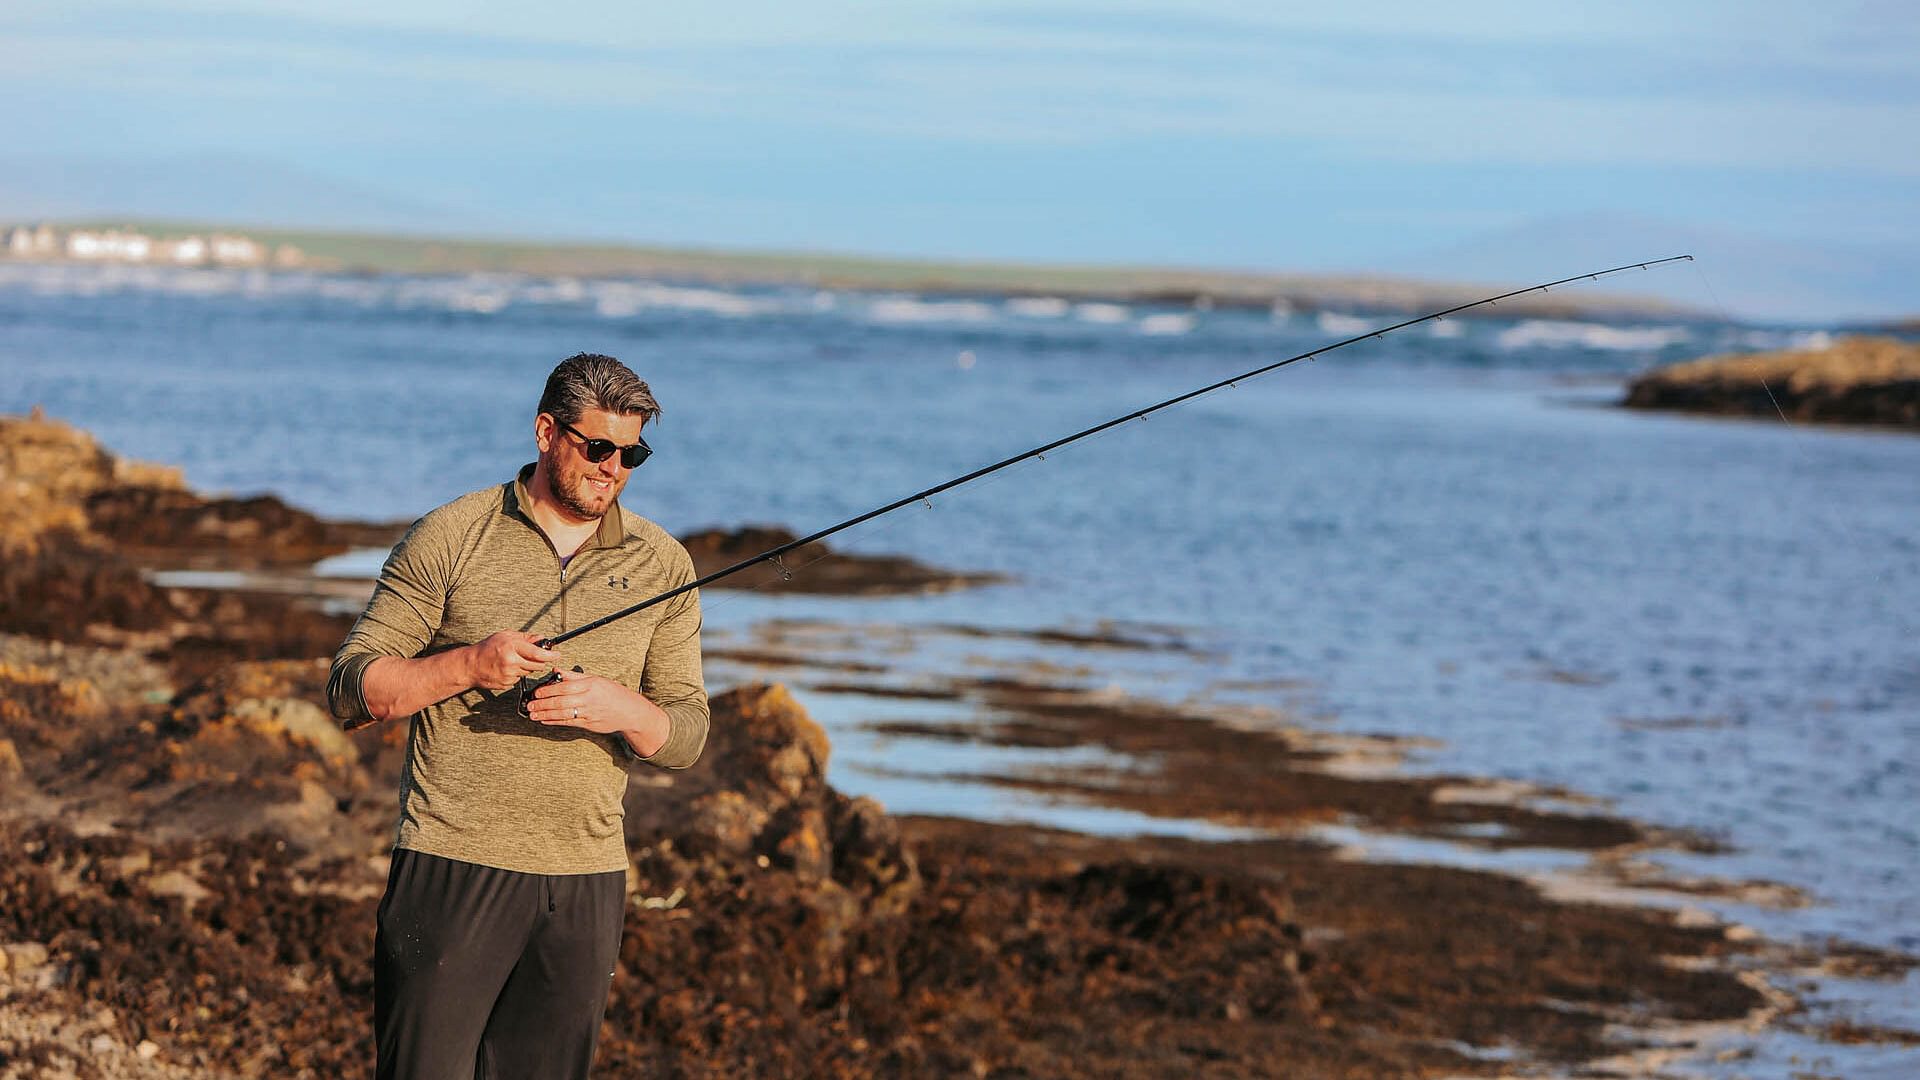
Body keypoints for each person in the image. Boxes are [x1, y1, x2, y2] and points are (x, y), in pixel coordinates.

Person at [327, 352, 709, 1080]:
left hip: (588, 881)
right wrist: (470, 664)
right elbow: (353, 686)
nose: (613, 469)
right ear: (546, 432)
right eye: (598, 447)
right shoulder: (452, 534)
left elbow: (687, 734)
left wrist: (618, 706)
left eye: (633, 454)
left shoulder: (665, 565)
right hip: (452, 865)